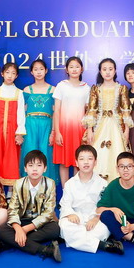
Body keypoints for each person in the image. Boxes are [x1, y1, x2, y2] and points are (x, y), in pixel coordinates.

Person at [0, 150, 61, 262]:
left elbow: (48, 213)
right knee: (2, 231)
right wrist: (18, 228)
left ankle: (8, 244)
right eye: (30, 165)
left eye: (39, 165)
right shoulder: (18, 183)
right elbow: (12, 209)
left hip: (41, 222)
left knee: (55, 230)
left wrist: (24, 230)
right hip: (23, 219)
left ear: (45, 168)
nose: (34, 169)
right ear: (25, 168)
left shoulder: (50, 183)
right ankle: (45, 250)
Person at [58, 145, 122, 255]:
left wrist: (96, 218)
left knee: (104, 228)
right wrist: (70, 214)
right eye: (82, 159)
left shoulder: (103, 183)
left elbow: (105, 206)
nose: (86, 162)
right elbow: (65, 205)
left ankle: (74, 240)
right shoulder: (69, 183)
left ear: (95, 162)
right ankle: (102, 245)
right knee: (65, 225)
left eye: (90, 159)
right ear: (76, 162)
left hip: (96, 219)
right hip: (76, 219)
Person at [84, 58, 133, 181]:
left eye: (110, 69)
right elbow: (92, 109)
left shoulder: (121, 88)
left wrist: (127, 130)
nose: (107, 72)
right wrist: (89, 130)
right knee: (97, 153)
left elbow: (126, 110)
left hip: (116, 127)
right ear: (100, 72)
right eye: (104, 69)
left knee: (117, 152)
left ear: (115, 71)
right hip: (99, 126)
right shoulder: (95, 89)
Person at [0, 62, 26, 191]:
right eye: (7, 72)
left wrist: (19, 133)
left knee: (12, 160)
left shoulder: (19, 93)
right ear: (2, 74)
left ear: (16, 76)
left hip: (12, 130)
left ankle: (11, 193)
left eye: (13, 73)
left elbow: (21, 114)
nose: (10, 76)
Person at [52, 56, 90, 184]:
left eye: (77, 67)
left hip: (80, 130)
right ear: (66, 69)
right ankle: (65, 191)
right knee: (63, 162)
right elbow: (57, 111)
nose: (74, 69)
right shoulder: (61, 86)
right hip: (63, 129)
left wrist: (88, 130)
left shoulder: (86, 88)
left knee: (77, 161)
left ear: (82, 69)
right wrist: (57, 132)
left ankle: (76, 190)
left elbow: (89, 112)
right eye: (71, 67)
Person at [22, 59, 57, 182]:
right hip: (30, 124)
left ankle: (46, 186)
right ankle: (27, 185)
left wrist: (53, 131)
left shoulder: (53, 90)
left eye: (41, 69)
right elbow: (23, 111)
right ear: (31, 72)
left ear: (46, 71)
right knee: (29, 151)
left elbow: (55, 112)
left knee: (45, 153)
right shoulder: (27, 90)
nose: (39, 72)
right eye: (35, 69)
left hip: (46, 124)